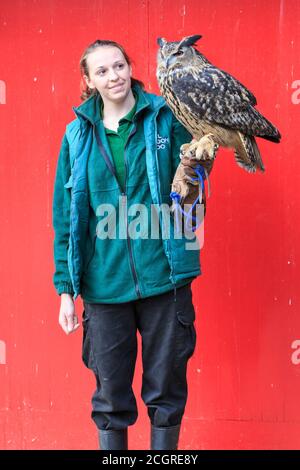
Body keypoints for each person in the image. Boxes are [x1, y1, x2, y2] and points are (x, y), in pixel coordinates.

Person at [52, 39, 214, 450]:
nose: (114, 76)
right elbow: (65, 217)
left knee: (167, 389)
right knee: (110, 397)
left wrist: (197, 171)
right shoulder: (76, 137)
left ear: (130, 67)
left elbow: (195, 181)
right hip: (103, 286)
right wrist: (66, 291)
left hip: (165, 277)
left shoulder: (164, 117)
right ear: (88, 80)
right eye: (102, 71)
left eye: (120, 65)